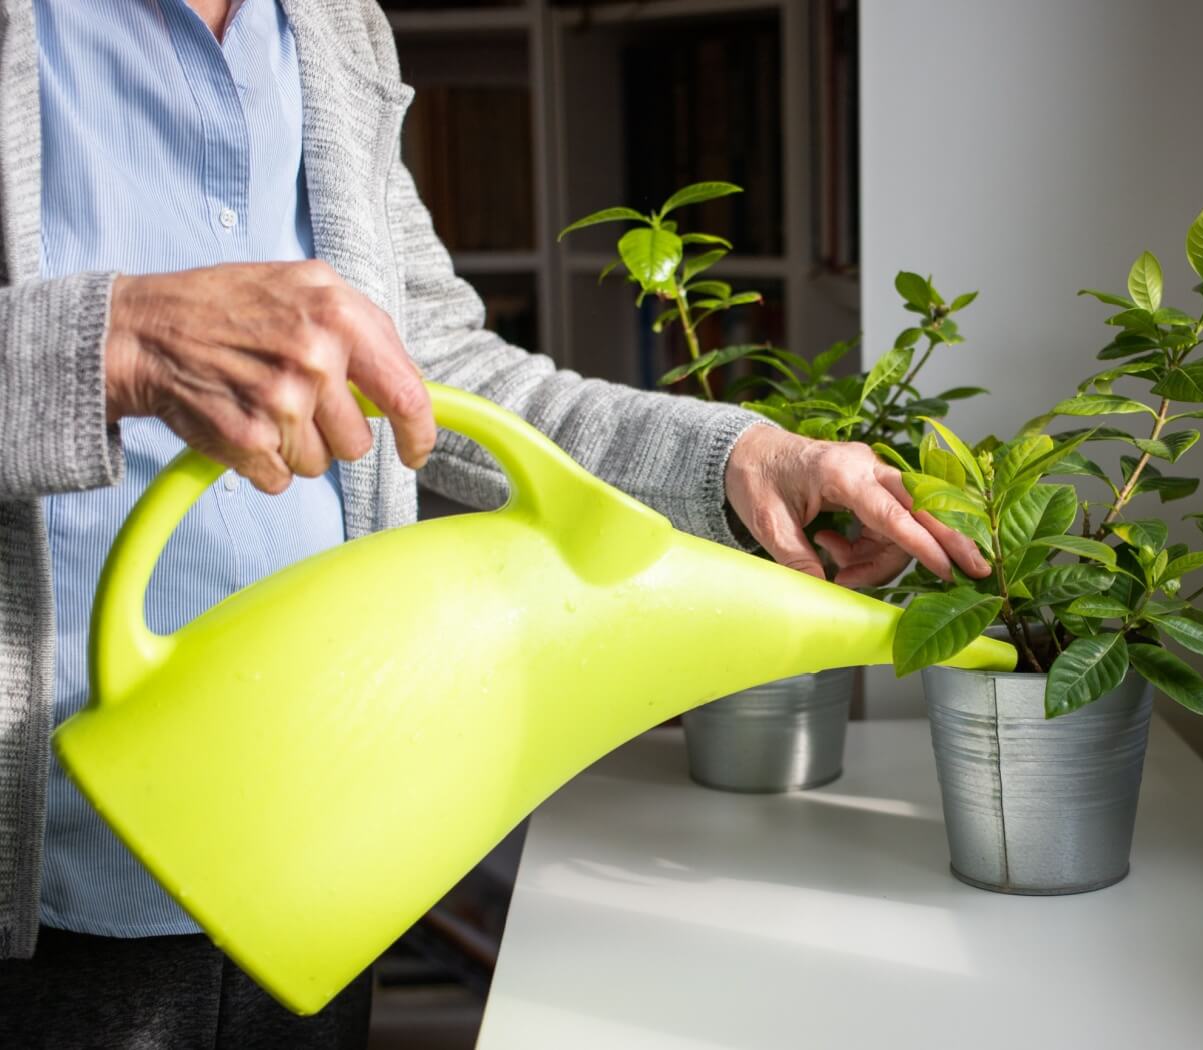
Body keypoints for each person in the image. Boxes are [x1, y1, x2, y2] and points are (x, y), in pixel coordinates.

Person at [0, 1, 987, 1047]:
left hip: (313, 843)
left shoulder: (333, 25)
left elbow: (427, 370)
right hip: (50, 888)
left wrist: (743, 458)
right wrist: (117, 342)